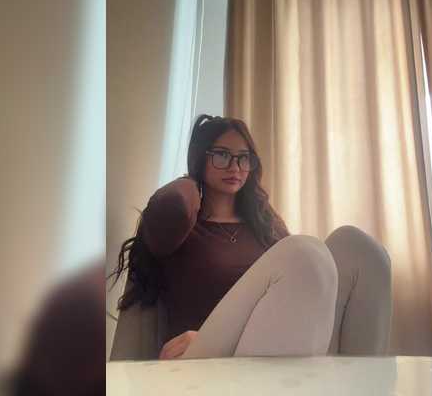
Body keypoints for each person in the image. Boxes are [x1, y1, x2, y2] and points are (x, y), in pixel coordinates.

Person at [110, 114, 392, 360]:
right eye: (222, 155)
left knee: (358, 248)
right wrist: (190, 182)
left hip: (268, 347)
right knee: (304, 253)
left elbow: (304, 283)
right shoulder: (183, 227)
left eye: (243, 158)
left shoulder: (264, 223)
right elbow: (169, 207)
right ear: (200, 158)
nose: (235, 166)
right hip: (202, 352)